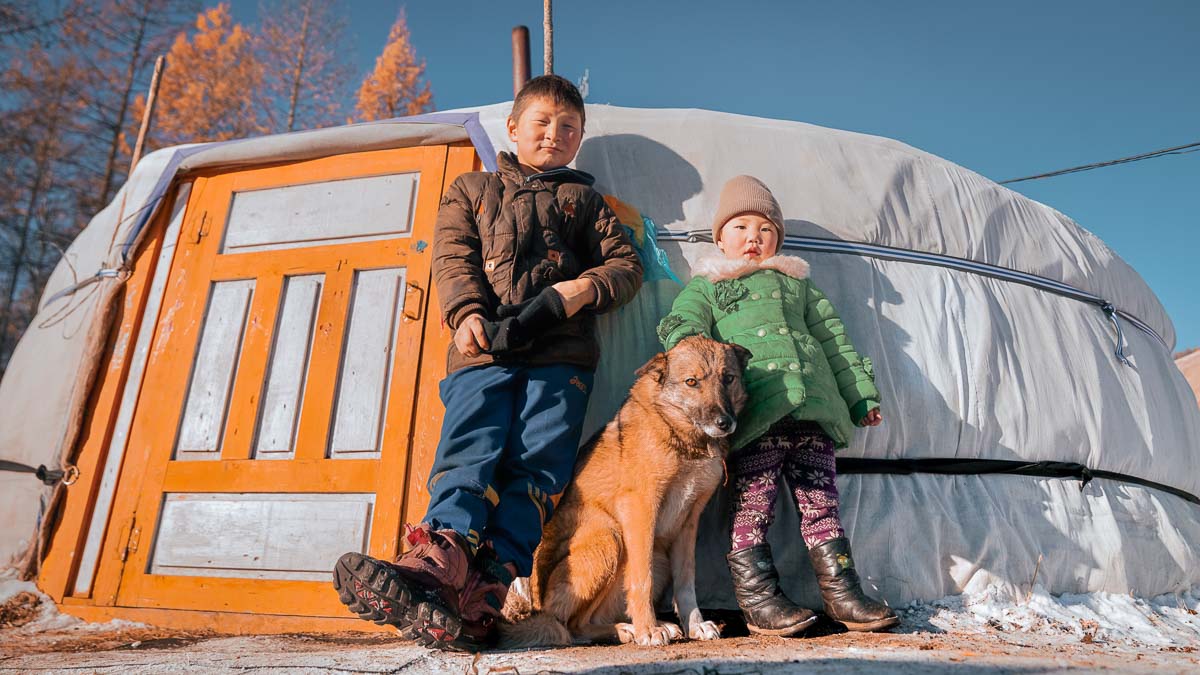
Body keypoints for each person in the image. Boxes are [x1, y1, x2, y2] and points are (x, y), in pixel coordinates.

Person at [334, 75, 642, 651]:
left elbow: (626, 266)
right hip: (483, 348)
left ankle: (481, 598)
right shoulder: (471, 188)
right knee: (469, 450)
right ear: (513, 128)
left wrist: (578, 291)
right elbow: (453, 256)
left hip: (562, 357)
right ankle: (435, 566)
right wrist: (466, 312)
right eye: (543, 122)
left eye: (569, 127)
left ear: (580, 138)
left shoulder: (588, 203)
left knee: (536, 472)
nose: (555, 134)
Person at [656, 175, 898, 635]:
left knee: (822, 505)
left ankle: (843, 595)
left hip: (814, 413)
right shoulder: (709, 285)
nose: (753, 238)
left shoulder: (800, 286)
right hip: (758, 416)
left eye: (765, 229)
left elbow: (836, 342)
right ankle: (759, 601)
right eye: (741, 227)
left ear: (778, 240)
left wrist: (860, 395)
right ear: (720, 237)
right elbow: (684, 321)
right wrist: (683, 341)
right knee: (753, 504)